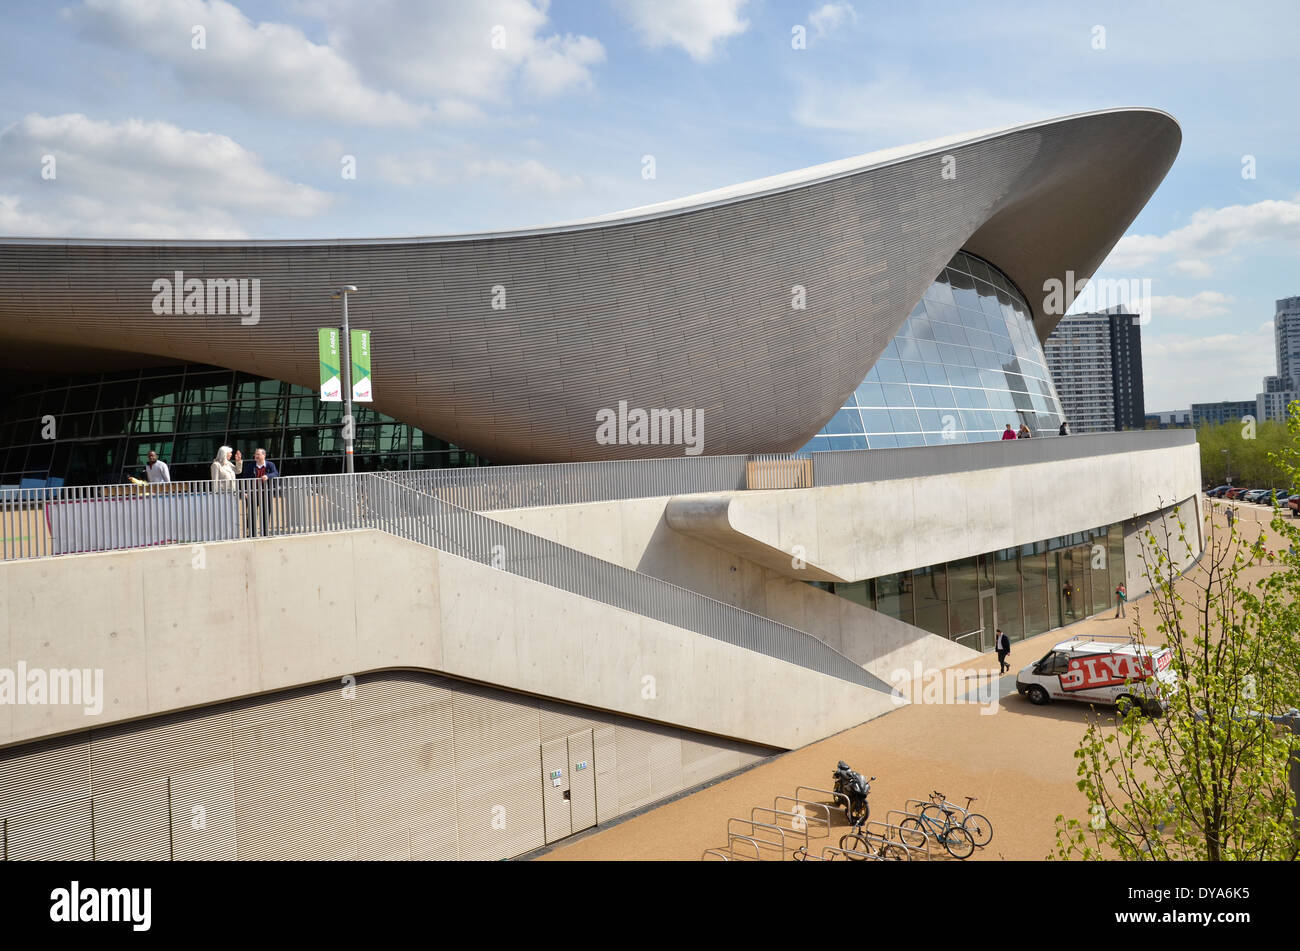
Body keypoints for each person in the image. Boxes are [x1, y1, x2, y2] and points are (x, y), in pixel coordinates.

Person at [240, 448, 280, 536]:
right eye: (255, 454)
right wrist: (245, 491)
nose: (256, 456)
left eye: (258, 454)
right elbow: (244, 478)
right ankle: (252, 533)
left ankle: (265, 533)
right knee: (252, 514)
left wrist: (268, 476)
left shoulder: (270, 464)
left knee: (266, 513)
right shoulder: (251, 466)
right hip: (253, 494)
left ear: (264, 455)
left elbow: (276, 473)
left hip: (266, 494)